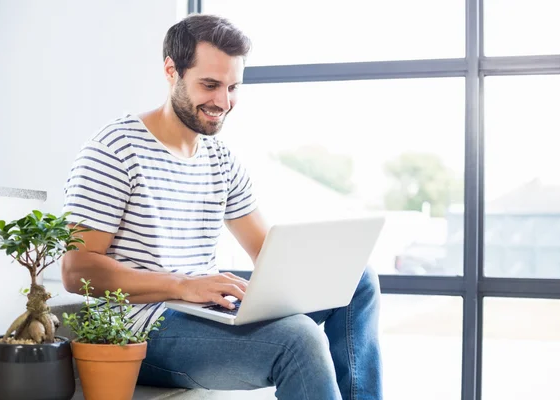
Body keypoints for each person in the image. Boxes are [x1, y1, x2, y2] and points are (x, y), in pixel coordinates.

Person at [61, 14, 382, 400]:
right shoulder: (115, 149)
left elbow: (267, 252)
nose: (223, 102)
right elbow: (77, 269)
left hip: (205, 313)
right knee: (299, 338)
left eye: (232, 88)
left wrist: (322, 266)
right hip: (140, 329)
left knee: (358, 279)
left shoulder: (220, 158)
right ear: (171, 70)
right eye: (210, 85)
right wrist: (184, 285)